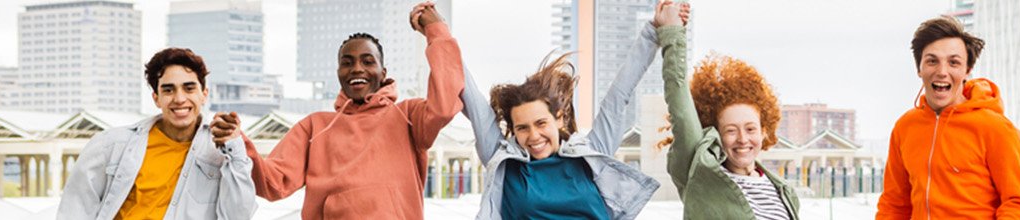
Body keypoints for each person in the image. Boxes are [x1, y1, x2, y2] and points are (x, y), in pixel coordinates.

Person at [212, 2, 463, 219]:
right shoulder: (314, 126)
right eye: (347, 63)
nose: (356, 69)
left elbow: (445, 104)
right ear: (338, 74)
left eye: (367, 61)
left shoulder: (408, 115)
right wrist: (238, 143)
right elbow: (272, 183)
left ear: (383, 73)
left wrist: (436, 30)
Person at [456, 1, 687, 219]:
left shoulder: (590, 155)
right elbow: (473, 100)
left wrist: (653, 30)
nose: (534, 136)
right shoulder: (506, 166)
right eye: (522, 128)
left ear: (559, 117)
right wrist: (438, 32)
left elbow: (618, 96)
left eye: (541, 123)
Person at [58, 48, 257, 219]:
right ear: (156, 98)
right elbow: (75, 209)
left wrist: (235, 148)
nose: (179, 99)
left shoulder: (223, 154)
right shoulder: (111, 145)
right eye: (169, 90)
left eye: (189, 88)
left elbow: (238, 215)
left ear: (204, 95)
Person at [876, 15, 1020, 220]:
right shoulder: (905, 127)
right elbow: (894, 204)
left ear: (967, 70)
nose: (942, 72)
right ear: (919, 69)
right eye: (932, 61)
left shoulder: (995, 128)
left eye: (954, 63)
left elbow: (1017, 203)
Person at [660, 48, 800, 220]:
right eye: (731, 131)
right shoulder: (702, 178)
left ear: (764, 131)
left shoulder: (783, 190)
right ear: (717, 136)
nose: (742, 139)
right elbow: (680, 107)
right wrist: (672, 34)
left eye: (750, 129)